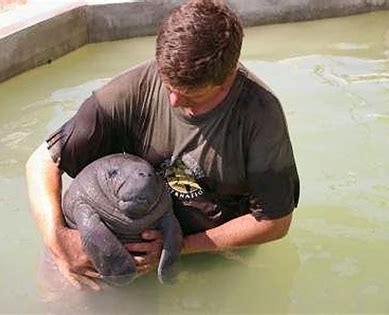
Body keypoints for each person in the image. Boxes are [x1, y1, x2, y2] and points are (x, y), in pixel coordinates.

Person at [26, 0, 299, 291]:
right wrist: (58, 239)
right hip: (119, 225)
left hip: (208, 249)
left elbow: (274, 223)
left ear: (226, 80)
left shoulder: (260, 115)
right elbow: (42, 162)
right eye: (168, 88)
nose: (174, 102)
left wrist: (178, 248)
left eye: (190, 97)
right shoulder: (134, 88)